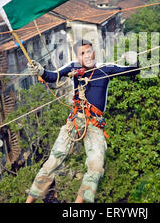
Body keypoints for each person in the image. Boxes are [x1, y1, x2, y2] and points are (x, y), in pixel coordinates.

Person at [25, 39, 139, 203]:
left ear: (94, 53)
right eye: (82, 53)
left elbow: (131, 71)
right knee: (52, 162)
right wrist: (40, 70)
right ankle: (29, 201)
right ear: (78, 57)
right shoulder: (73, 68)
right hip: (75, 121)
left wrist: (136, 60)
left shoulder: (106, 69)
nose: (87, 55)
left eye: (89, 51)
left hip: (94, 123)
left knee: (96, 167)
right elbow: (52, 76)